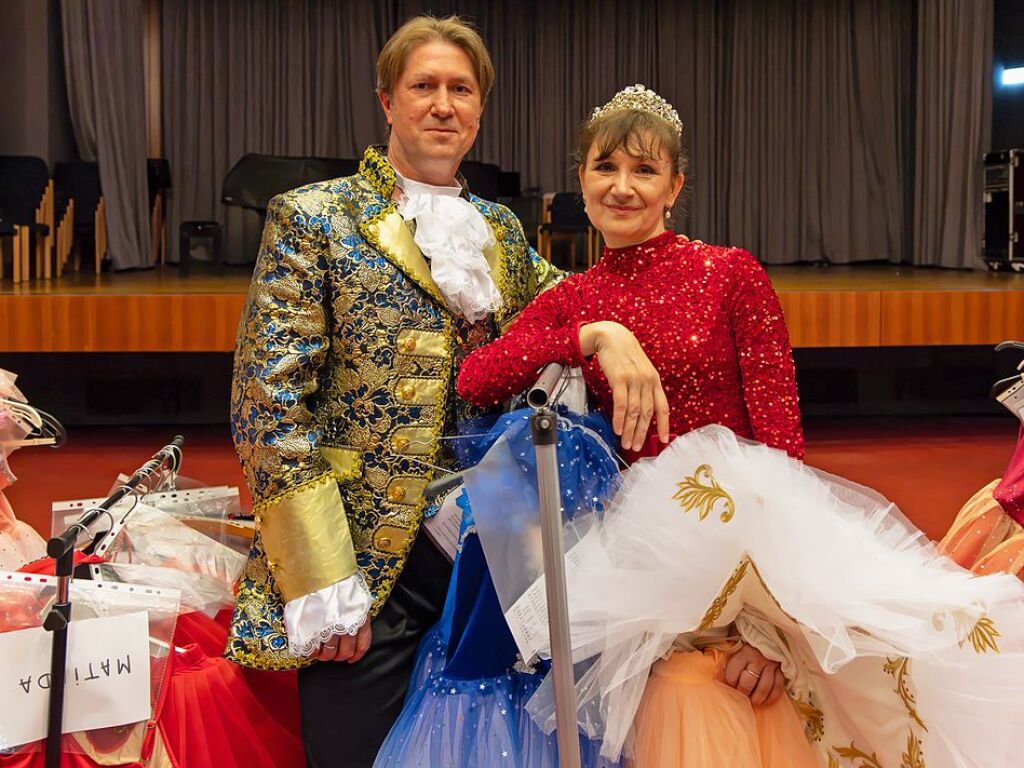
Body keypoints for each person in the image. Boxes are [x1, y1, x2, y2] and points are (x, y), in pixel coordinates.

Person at [454, 86, 1024, 768]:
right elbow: (476, 377)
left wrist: (775, 628)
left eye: (644, 171)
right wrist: (591, 334)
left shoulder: (730, 275)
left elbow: (781, 443)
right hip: (643, 565)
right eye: (606, 168)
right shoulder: (574, 299)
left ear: (675, 186)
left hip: (747, 551)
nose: (623, 187)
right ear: (581, 180)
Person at [228, 15, 561, 768]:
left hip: (486, 555)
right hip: (365, 566)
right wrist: (323, 578)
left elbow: (565, 308)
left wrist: (612, 330)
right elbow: (267, 405)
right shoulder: (315, 216)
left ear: (479, 109)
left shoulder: (500, 231)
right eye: (424, 86)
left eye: (460, 89)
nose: (442, 104)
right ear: (387, 102)